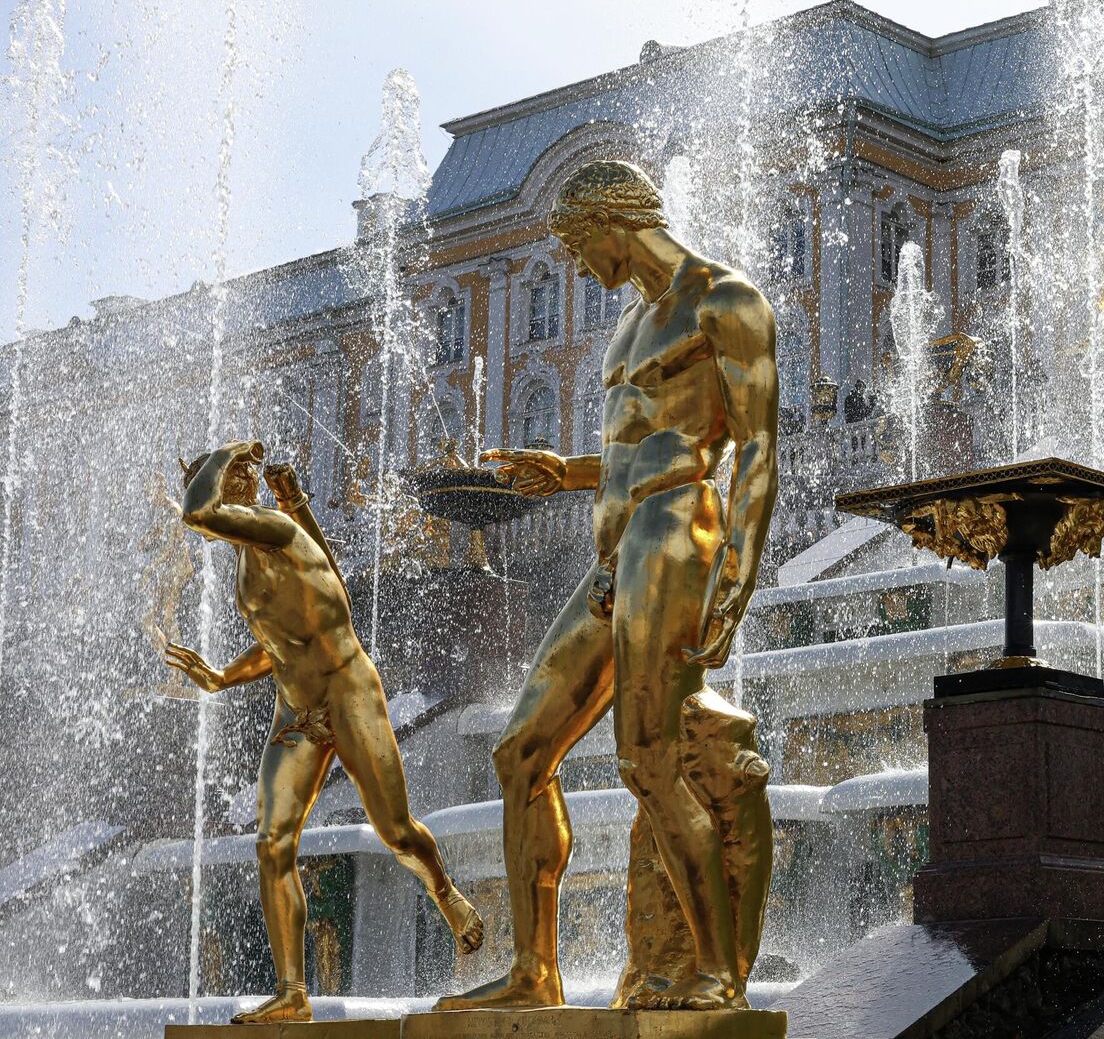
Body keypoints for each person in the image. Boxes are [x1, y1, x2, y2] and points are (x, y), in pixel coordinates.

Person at [435, 159, 778, 1013]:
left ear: (612, 222)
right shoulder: (630, 326)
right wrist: (567, 473)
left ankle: (718, 972)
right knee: (520, 752)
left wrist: (738, 571)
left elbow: (756, 449)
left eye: (579, 245)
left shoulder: (726, 301)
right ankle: (534, 972)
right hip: (613, 551)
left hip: (676, 534)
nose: (579, 266)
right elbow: (636, 443)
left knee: (647, 760)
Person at [164, 443, 482, 1025]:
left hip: (349, 693)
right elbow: (281, 642)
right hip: (296, 710)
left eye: (236, 477)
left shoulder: (275, 527)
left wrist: (232, 452)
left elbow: (197, 514)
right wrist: (222, 677)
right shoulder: (250, 558)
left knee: (396, 832)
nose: (233, 486)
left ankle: (445, 892)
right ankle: (292, 992)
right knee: (272, 842)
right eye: (227, 476)